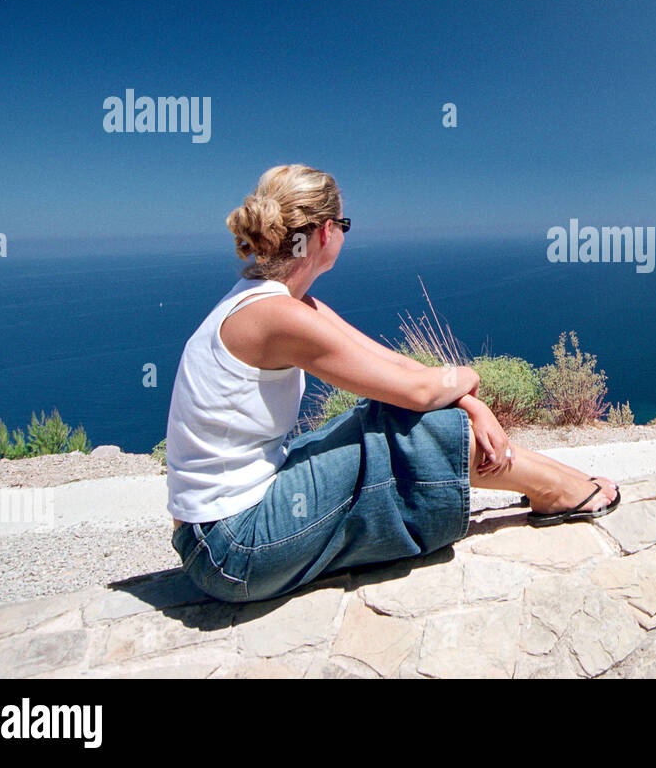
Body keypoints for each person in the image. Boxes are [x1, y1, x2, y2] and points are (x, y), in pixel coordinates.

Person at [166, 163, 619, 604]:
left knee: (386, 415)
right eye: (344, 223)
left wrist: (470, 403)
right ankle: (555, 489)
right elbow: (419, 392)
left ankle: (555, 482)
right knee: (410, 425)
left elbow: (403, 368)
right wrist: (472, 379)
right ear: (326, 232)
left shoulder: (285, 304)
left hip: (224, 529)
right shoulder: (278, 316)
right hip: (232, 548)